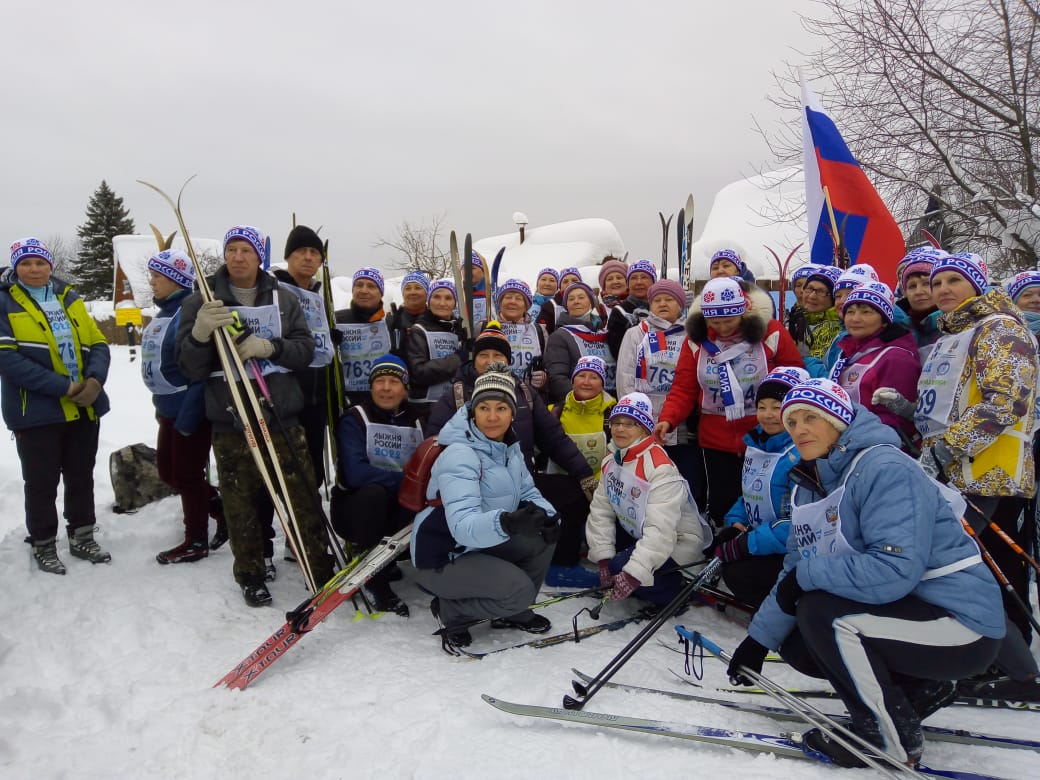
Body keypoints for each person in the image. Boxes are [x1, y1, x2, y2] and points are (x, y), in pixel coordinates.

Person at [726, 378, 1004, 769]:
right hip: (912, 612)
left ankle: (886, 740)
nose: (799, 429)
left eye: (811, 418)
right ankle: (921, 689)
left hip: (960, 623)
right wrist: (758, 641)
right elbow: (795, 564)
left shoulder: (884, 467)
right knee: (797, 634)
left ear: (838, 422)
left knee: (825, 615)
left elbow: (895, 569)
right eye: (792, 422)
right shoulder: (811, 480)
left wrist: (803, 579)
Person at [176, 225, 335, 607]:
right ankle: (250, 572)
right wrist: (199, 334)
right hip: (232, 418)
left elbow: (304, 350)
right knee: (240, 501)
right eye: (231, 249)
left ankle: (317, 564)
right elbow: (188, 368)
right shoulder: (202, 302)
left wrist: (270, 346)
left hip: (281, 413)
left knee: (300, 494)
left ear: (259, 256)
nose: (238, 257)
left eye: (246, 250)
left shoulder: (283, 299)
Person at [907, 253, 1038, 646]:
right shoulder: (956, 333)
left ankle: (1011, 661)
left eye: (954, 281)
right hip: (961, 471)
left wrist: (945, 448)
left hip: (994, 472)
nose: (943, 289)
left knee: (990, 566)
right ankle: (982, 651)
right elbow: (954, 405)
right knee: (972, 566)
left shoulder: (999, 329)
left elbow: (1006, 402)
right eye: (937, 283)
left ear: (978, 285)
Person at [426, 322, 597, 587]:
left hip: (520, 481)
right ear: (474, 358)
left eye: (498, 356)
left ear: (508, 360)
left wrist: (584, 473)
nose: (491, 361)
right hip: (476, 486)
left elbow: (552, 437)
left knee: (571, 493)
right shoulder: (457, 395)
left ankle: (561, 564)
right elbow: (436, 444)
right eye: (484, 355)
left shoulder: (524, 391)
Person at [411, 364, 559, 646]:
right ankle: (452, 610)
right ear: (472, 411)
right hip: (444, 554)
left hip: (479, 544)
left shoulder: (508, 447)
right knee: (519, 590)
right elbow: (463, 526)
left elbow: (527, 489)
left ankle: (512, 610)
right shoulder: (461, 455)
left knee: (542, 538)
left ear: (512, 412)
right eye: (484, 408)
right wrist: (507, 522)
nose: (492, 417)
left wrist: (549, 517)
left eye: (501, 408)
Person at [0, 237, 112, 574]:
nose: (34, 269)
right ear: (16, 267)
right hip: (35, 411)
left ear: (50, 266)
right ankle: (44, 542)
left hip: (84, 406)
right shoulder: (5, 303)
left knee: (80, 476)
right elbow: (8, 358)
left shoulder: (69, 297)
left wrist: (94, 382)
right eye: (26, 263)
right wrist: (64, 387)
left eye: (40, 263)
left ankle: (82, 535)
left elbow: (98, 342)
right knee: (41, 480)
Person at [656, 277, 803, 528]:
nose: (722, 328)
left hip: (764, 435)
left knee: (763, 500)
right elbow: (684, 387)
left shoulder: (772, 333)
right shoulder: (696, 341)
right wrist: (668, 419)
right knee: (723, 505)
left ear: (743, 313)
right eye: (715, 321)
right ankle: (726, 552)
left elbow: (795, 377)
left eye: (729, 321)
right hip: (716, 438)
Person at [587, 393, 711, 610]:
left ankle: (677, 590)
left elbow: (661, 531)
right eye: (616, 423)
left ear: (644, 429)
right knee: (600, 547)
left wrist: (634, 574)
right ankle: (640, 572)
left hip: (676, 541)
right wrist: (603, 559)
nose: (620, 429)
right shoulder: (612, 459)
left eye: (630, 424)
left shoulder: (660, 468)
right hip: (638, 527)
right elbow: (601, 511)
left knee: (622, 567)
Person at [141, 249, 219, 564]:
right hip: (168, 410)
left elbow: (201, 367)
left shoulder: (187, 310)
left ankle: (195, 539)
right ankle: (218, 508)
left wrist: (188, 416)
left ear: (175, 279)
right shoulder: (162, 313)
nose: (152, 282)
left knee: (187, 475)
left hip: (189, 411)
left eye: (157, 276)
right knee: (170, 473)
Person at [331, 354, 422, 616]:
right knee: (374, 493)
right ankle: (374, 580)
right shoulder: (355, 418)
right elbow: (356, 474)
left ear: (405, 388)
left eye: (393, 382)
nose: (385, 388)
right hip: (356, 510)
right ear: (370, 386)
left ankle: (393, 559)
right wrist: (405, 482)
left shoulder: (416, 419)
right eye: (379, 381)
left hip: (399, 508)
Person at [712, 367, 808, 609]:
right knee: (724, 554)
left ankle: (784, 611)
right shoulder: (757, 443)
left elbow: (802, 522)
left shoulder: (802, 454)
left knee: (739, 573)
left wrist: (749, 543)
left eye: (777, 407)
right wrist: (736, 523)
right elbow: (750, 493)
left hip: (794, 549)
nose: (768, 415)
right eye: (762, 407)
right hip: (763, 538)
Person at [617, 278, 705, 504]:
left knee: (683, 484)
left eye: (669, 299)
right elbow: (625, 379)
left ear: (680, 305)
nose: (662, 304)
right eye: (657, 300)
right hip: (645, 424)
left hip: (683, 426)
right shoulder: (636, 334)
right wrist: (634, 421)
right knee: (648, 484)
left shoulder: (692, 335)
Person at [273, 225, 336, 489]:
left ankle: (307, 524)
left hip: (316, 390)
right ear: (289, 256)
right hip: (286, 388)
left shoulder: (318, 294)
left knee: (312, 468)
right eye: (301, 251)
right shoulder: (273, 289)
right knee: (286, 468)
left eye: (314, 252)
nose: (308, 257)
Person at [829, 282, 921, 447]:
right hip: (846, 444)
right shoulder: (848, 352)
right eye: (850, 312)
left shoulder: (896, 358)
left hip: (878, 449)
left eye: (866, 312)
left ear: (884, 321)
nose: (856, 318)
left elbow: (896, 420)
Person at [544, 280, 616, 404]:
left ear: (591, 303)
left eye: (581, 297)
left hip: (611, 404)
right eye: (571, 299)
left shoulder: (604, 333)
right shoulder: (560, 336)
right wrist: (583, 401)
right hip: (581, 406)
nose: (576, 301)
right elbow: (557, 378)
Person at [405, 279, 465, 418]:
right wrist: (457, 359)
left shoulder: (459, 331)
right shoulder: (419, 330)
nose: (442, 303)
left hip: (455, 405)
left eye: (448, 298)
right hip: (425, 408)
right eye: (436, 297)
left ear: (454, 303)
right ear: (429, 301)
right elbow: (418, 372)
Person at [335, 266, 390, 407]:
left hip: (382, 400)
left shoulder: (389, 323)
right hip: (346, 401)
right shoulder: (336, 320)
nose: (364, 290)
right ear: (352, 290)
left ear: (381, 293)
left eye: (371, 286)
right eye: (359, 285)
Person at [492, 278, 548, 391]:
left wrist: (544, 377)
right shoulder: (486, 327)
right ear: (500, 303)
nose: (512, 301)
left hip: (529, 397)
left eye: (518, 298)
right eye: (507, 297)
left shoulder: (539, 331)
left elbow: (548, 364)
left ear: (526, 306)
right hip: (494, 395)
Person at [894, 249, 943, 358]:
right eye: (912, 286)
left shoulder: (956, 327)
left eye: (926, 283)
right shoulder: (899, 331)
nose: (918, 292)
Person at [788, 265, 843, 362]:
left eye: (821, 291)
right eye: (809, 288)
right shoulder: (793, 320)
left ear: (833, 298)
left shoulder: (838, 330)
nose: (812, 296)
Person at [606, 258, 656, 359]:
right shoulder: (620, 311)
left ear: (653, 281)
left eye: (644, 277)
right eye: (633, 278)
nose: (639, 282)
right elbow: (618, 352)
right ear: (628, 283)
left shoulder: (659, 309)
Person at [389, 270, 431, 356]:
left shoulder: (435, 319)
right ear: (403, 293)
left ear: (427, 293)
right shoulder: (392, 321)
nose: (412, 292)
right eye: (408, 288)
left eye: (418, 288)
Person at [529, 267, 559, 333]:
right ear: (537, 284)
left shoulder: (560, 307)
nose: (547, 283)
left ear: (557, 286)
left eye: (552, 280)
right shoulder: (527, 304)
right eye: (543, 279)